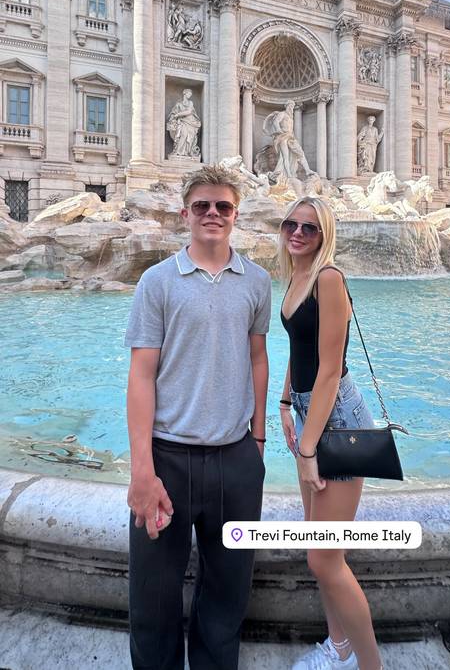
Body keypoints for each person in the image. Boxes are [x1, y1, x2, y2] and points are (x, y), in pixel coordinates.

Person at [125, 164, 271, 670]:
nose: (213, 213)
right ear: (185, 214)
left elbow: (257, 357)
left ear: (236, 215)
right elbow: (141, 375)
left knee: (228, 596)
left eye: (223, 206)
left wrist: (257, 441)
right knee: (153, 599)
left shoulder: (258, 281)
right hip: (168, 457)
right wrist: (142, 470)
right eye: (202, 206)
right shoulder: (157, 281)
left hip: (235, 459)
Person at [278, 196, 383, 670]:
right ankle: (339, 648)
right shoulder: (296, 276)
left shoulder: (328, 278)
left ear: (325, 235)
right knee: (318, 548)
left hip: (337, 421)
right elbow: (298, 348)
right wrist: (285, 403)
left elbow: (328, 370)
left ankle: (370, 665)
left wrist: (307, 450)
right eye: (291, 224)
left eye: (310, 228)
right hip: (310, 415)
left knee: (324, 559)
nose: (298, 233)